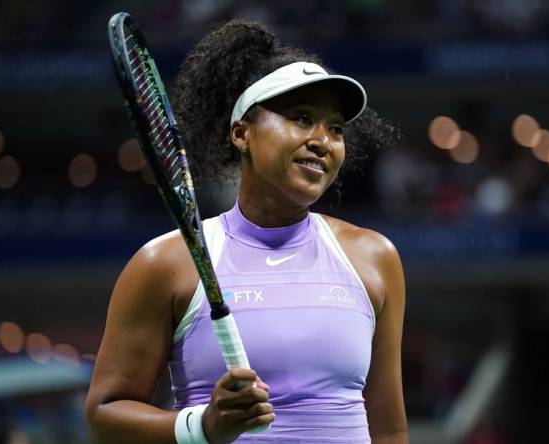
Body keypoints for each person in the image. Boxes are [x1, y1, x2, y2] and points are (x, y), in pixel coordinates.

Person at [85, 19, 407, 444]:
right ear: (241, 133)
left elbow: (389, 430)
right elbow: (103, 418)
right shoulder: (166, 264)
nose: (322, 140)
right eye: (301, 118)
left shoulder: (374, 257)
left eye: (335, 128)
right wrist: (201, 427)